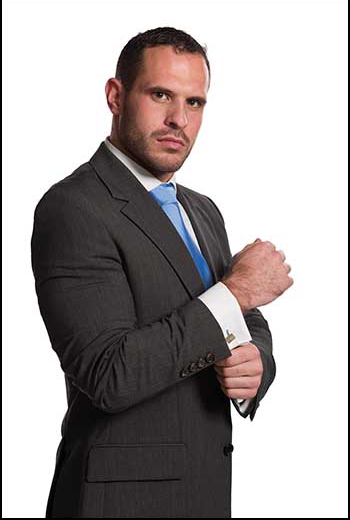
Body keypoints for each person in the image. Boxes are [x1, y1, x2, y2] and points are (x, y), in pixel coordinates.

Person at [31, 26, 293, 519]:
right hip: (120, 501)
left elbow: (238, 317)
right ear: (115, 95)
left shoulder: (202, 210)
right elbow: (108, 374)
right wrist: (235, 291)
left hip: (203, 492)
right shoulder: (73, 208)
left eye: (195, 103)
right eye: (160, 95)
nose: (179, 119)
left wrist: (258, 363)